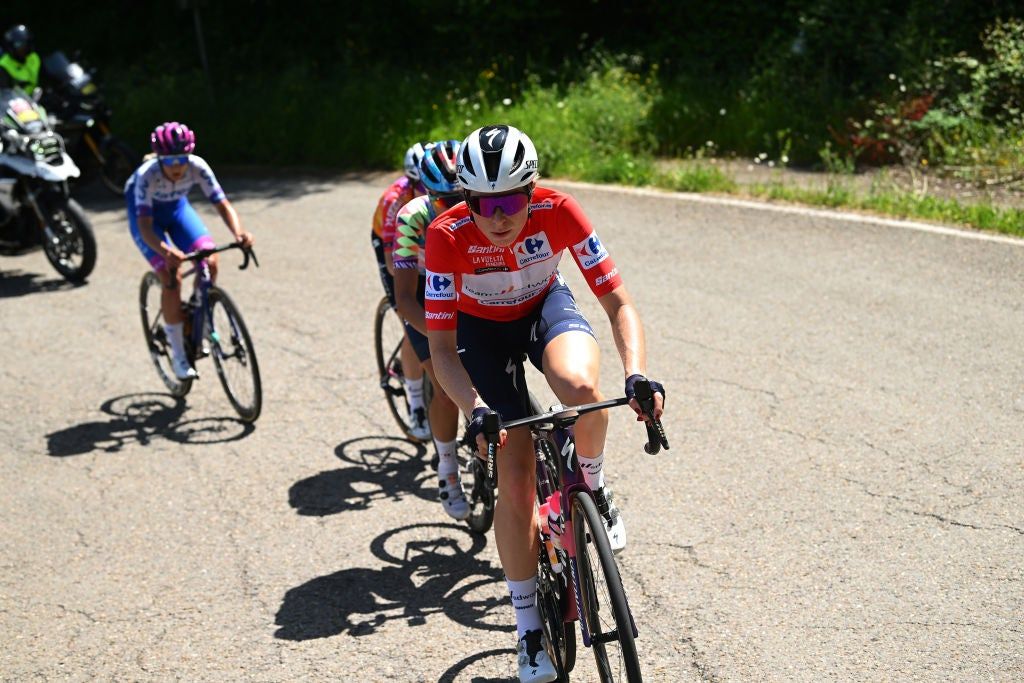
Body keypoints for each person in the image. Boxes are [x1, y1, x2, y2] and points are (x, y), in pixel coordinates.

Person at [424, 125, 665, 683]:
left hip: (543, 307)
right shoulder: (446, 234)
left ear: (532, 191)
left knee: (581, 390)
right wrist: (474, 407)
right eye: (481, 202)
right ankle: (529, 627)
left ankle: (593, 487)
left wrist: (636, 374)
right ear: (466, 199)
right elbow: (440, 348)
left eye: (510, 200)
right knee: (515, 473)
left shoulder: (560, 211)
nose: (497, 215)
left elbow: (618, 304)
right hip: (478, 336)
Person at [126, 121, 254, 379]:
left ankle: (199, 315)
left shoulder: (197, 166)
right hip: (148, 222)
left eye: (182, 159)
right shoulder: (146, 176)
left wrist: (239, 233)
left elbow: (222, 204)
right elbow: (145, 228)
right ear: (159, 157)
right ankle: (178, 355)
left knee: (210, 260)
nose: (177, 166)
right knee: (169, 276)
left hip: (177, 211)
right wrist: (165, 250)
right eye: (170, 160)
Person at [392, 140, 468, 519]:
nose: (453, 209)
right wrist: (441, 339)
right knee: (446, 386)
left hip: (463, 283)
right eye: (442, 200)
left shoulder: (483, 210)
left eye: (460, 198)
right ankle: (448, 470)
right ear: (426, 193)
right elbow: (404, 299)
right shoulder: (411, 216)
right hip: (422, 290)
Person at [372, 141, 432, 440]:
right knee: (413, 325)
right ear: (410, 180)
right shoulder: (395, 200)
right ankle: (417, 408)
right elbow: (394, 264)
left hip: (424, 246)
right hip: (391, 245)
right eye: (421, 184)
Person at [0, 25, 40, 92]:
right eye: (19, 45)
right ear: (11, 47)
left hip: (34, 98)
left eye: (26, 43)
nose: (24, 47)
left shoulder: (34, 58)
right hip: (15, 101)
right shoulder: (3, 66)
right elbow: (5, 94)